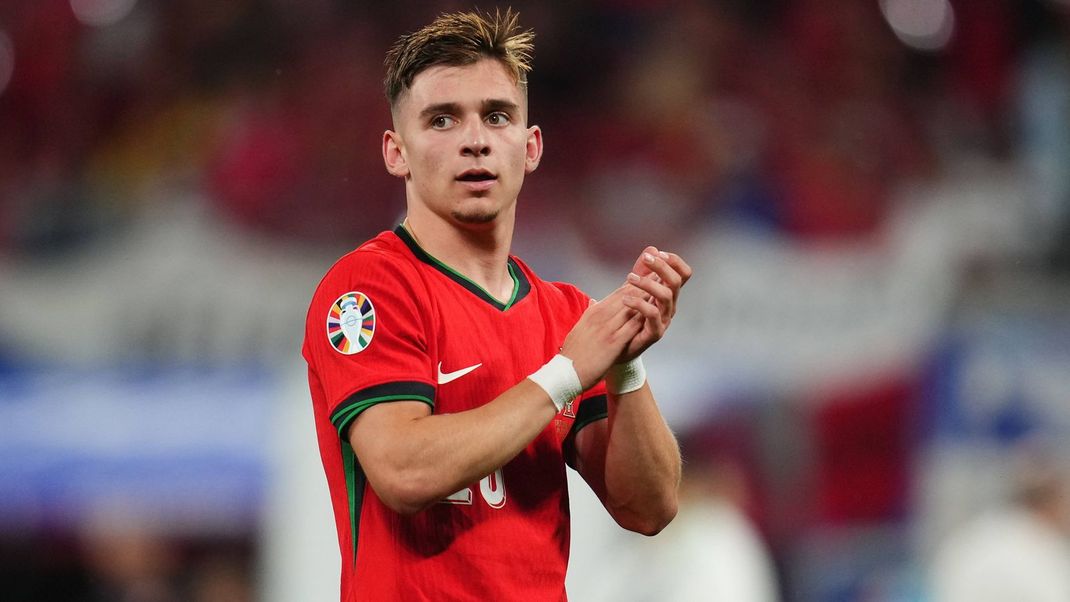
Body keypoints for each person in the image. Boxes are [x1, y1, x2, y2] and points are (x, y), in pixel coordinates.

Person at [301, 9, 691, 601]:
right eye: (441, 120)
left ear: (530, 146)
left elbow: (650, 507)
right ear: (396, 152)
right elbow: (405, 472)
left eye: (497, 116)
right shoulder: (368, 290)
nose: (476, 139)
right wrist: (566, 374)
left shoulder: (566, 316)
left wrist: (624, 366)